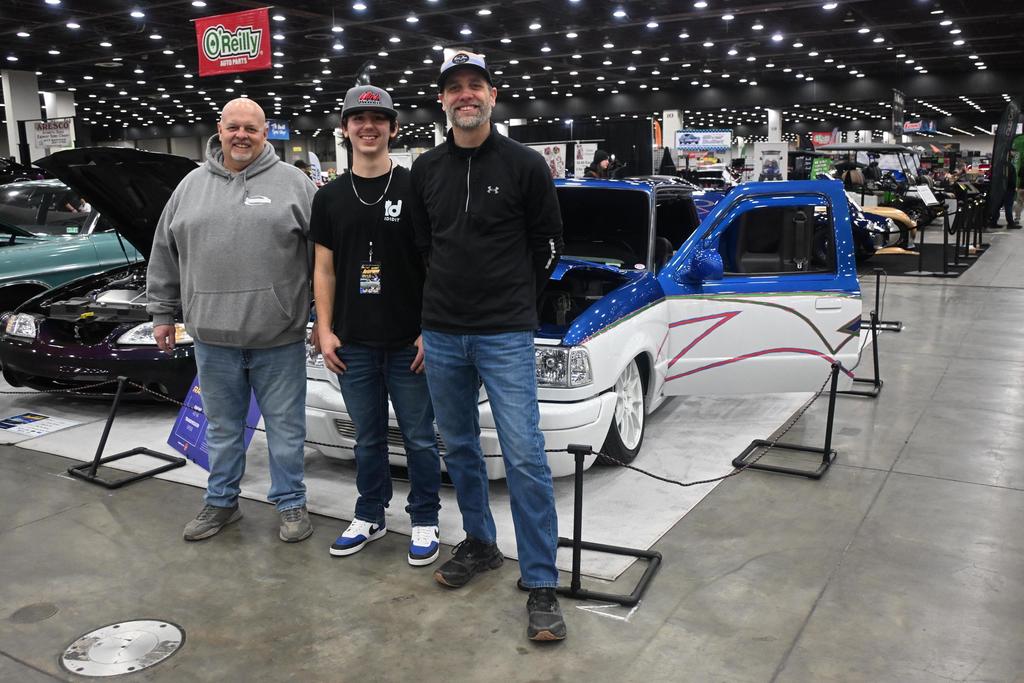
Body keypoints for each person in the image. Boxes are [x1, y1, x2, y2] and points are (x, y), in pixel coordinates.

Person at [409, 49, 567, 642]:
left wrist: (515, 304)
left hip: (505, 333)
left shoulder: (525, 164)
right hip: (444, 334)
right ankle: (479, 544)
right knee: (461, 448)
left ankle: (541, 581)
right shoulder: (427, 169)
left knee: (524, 453)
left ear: (493, 96)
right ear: (444, 101)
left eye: (476, 86)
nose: (465, 95)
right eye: (455, 88)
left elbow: (548, 243)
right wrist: (433, 316)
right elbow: (426, 248)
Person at [147, 98, 318, 543]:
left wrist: (323, 319)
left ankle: (291, 502)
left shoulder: (295, 185)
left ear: (266, 134)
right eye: (233, 127)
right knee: (221, 428)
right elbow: (164, 252)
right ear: (219, 130)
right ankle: (221, 502)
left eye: (252, 129)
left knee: (286, 428)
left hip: (277, 337)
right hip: (212, 338)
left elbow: (323, 260)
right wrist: (162, 312)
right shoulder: (189, 186)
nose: (242, 135)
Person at [310, 85, 442, 566]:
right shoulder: (328, 198)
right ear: (344, 129)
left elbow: (433, 265)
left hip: (409, 342)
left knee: (420, 437)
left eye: (378, 118)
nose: (369, 126)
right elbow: (323, 269)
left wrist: (431, 328)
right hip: (353, 343)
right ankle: (370, 513)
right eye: (358, 118)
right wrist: (324, 330)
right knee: (366, 438)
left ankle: (425, 518)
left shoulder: (414, 189)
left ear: (393, 128)